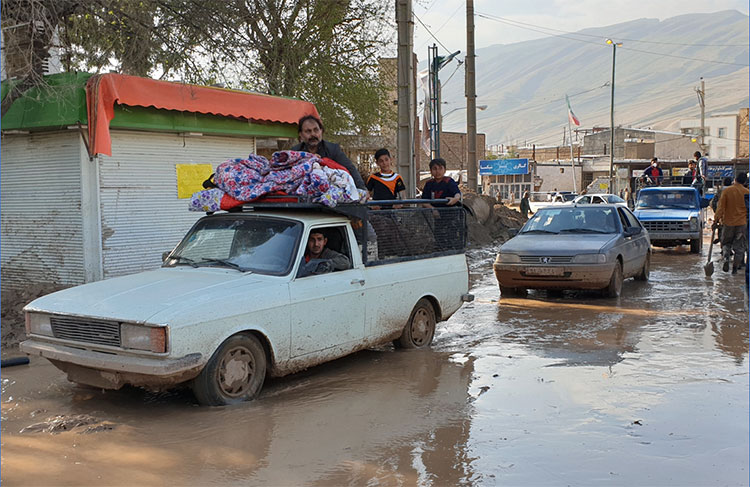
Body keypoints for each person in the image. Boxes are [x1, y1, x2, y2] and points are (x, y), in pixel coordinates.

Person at [291, 115, 367, 190]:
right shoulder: (295, 153)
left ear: (321, 131)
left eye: (316, 130)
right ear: (301, 134)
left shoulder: (333, 149)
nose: (313, 134)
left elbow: (350, 168)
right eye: (308, 131)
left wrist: (362, 188)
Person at [713, 172, 749, 274]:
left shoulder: (727, 191)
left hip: (728, 223)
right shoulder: (747, 192)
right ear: (744, 181)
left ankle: (726, 258)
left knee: (726, 243)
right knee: (739, 247)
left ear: (735, 180)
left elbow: (720, 208)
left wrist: (716, 220)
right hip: (741, 224)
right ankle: (735, 269)